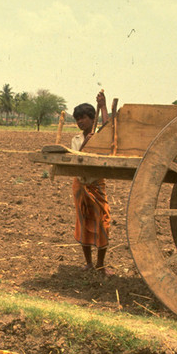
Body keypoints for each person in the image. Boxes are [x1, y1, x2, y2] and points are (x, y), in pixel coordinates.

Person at [71, 91, 113, 276]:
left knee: (103, 223)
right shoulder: (77, 139)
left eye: (84, 118)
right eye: (78, 119)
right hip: (80, 185)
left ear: (91, 118)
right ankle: (88, 263)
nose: (81, 122)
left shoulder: (99, 136)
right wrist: (85, 145)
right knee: (83, 222)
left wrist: (103, 106)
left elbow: (108, 128)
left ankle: (101, 264)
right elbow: (75, 158)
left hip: (96, 185)